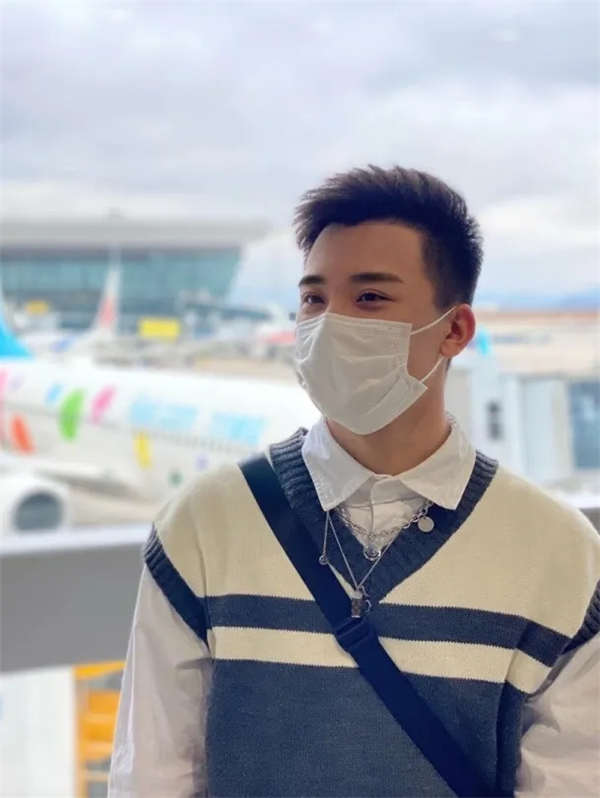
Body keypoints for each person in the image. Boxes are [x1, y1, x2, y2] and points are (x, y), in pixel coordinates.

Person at [108, 165, 600, 797]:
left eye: (369, 298)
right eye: (314, 299)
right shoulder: (203, 526)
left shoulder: (560, 555)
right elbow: (151, 774)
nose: (329, 323)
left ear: (454, 331)